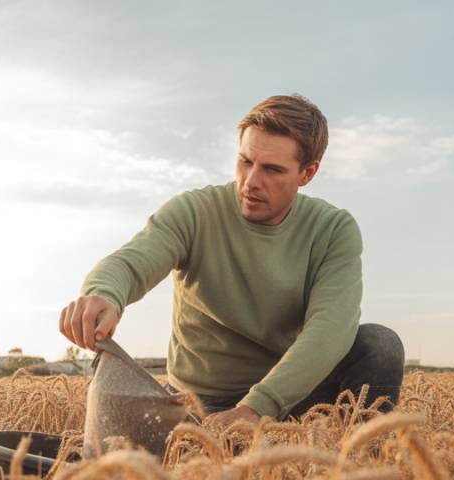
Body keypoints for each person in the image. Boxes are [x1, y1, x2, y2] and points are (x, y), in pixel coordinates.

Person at [59, 93, 405, 427]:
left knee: (381, 346)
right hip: (196, 403)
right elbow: (133, 261)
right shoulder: (194, 211)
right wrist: (104, 292)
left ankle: (350, 472)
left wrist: (258, 408)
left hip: (286, 398)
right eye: (245, 161)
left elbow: (331, 327)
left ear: (307, 173)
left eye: (272, 170)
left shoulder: (332, 229)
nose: (251, 182)